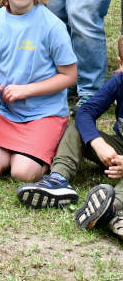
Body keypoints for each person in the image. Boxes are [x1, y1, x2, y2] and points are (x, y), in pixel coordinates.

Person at [0, 0, 77, 182]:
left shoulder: (52, 26)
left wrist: (26, 90)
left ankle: (53, 138)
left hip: (45, 112)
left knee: (22, 172)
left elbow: (69, 75)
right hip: (8, 111)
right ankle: (25, 149)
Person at [16, 35, 123, 238]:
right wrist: (98, 143)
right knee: (76, 129)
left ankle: (113, 209)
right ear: (120, 63)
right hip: (118, 149)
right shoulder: (118, 82)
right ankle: (58, 180)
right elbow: (85, 113)